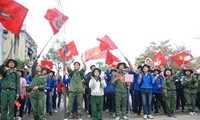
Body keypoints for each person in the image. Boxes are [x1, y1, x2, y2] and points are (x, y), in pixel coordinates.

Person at [64, 55, 86, 120]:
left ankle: (80, 116)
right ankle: (67, 117)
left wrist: (82, 59)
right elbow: (68, 66)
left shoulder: (81, 73)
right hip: (72, 91)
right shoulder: (71, 72)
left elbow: (85, 67)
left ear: (79, 67)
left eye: (77, 65)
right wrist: (72, 59)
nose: (75, 66)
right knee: (70, 105)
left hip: (79, 91)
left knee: (79, 104)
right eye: (75, 65)